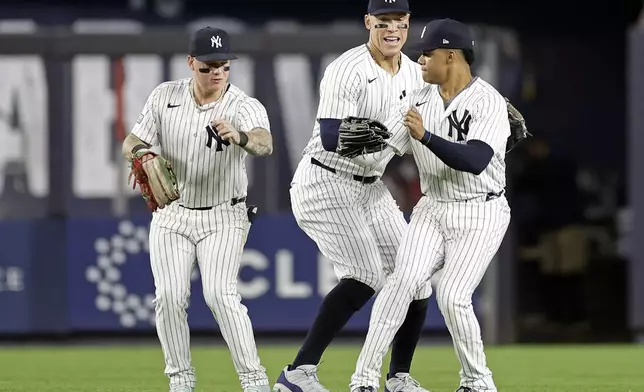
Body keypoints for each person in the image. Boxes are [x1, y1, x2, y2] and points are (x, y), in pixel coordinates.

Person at [272, 1, 435, 392]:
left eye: (399, 22)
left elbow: (436, 123)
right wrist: (378, 136)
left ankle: (399, 379)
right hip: (326, 180)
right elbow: (330, 135)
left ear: (408, 24)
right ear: (368, 23)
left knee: (417, 279)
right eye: (383, 22)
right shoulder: (348, 68)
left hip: (370, 186)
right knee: (364, 274)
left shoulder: (416, 75)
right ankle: (297, 373)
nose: (392, 30)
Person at [350, 18, 515, 392]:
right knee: (401, 283)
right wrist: (359, 147)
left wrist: (424, 135)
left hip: (480, 211)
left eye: (428, 54)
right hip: (433, 207)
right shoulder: (419, 98)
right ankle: (363, 380)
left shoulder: (487, 100)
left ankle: (478, 382)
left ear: (452, 56)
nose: (420, 61)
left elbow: (474, 160)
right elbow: (386, 145)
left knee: (453, 296)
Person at [121, 27, 273, 392]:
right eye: (207, 66)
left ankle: (254, 382)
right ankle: (181, 382)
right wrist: (142, 153)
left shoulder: (243, 105)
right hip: (173, 214)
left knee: (220, 295)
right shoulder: (164, 97)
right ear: (191, 63)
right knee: (170, 297)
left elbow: (265, 143)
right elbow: (131, 141)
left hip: (224, 214)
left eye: (223, 65)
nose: (216, 72)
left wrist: (240, 136)